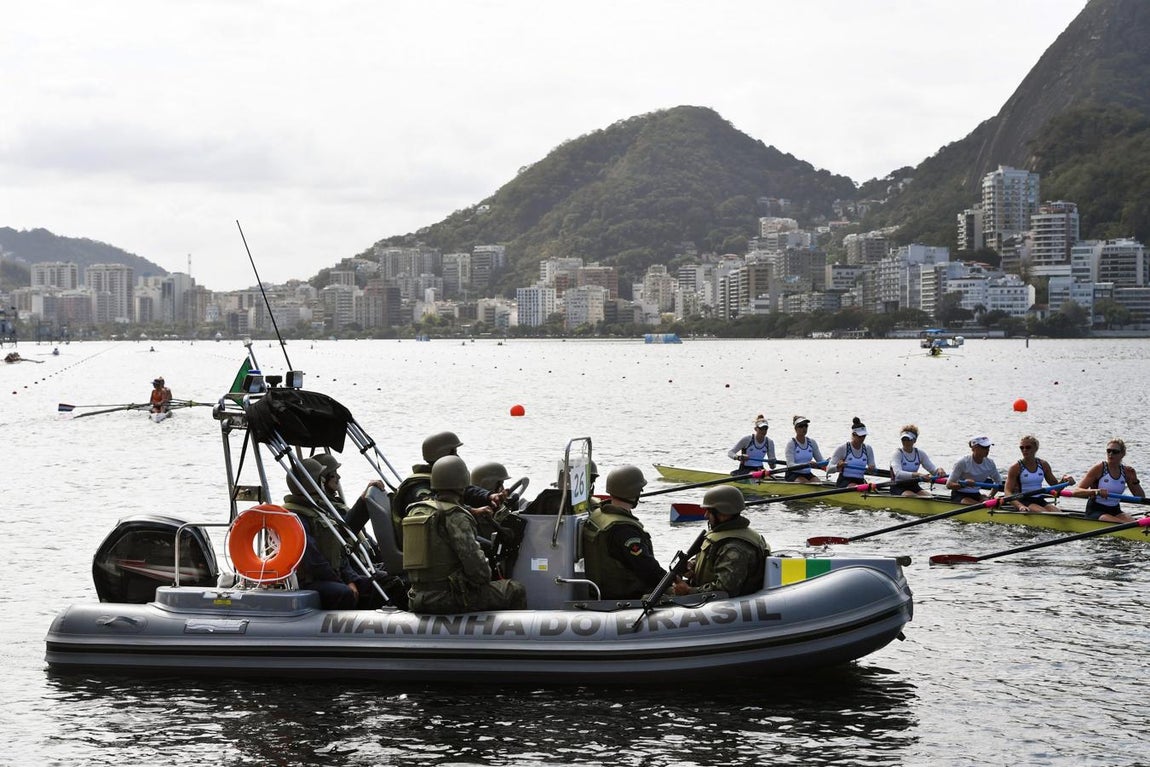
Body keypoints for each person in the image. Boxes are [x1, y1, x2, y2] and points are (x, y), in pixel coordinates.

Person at [403, 456, 527, 614]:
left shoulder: (416, 511)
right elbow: (480, 573)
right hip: (448, 598)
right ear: (463, 484)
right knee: (514, 589)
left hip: (416, 597)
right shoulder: (456, 516)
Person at [281, 458, 383, 610]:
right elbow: (314, 562)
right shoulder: (296, 517)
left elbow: (339, 551)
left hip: (333, 574)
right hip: (313, 580)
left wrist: (350, 578)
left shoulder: (320, 510)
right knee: (345, 593)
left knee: (382, 582)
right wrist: (343, 582)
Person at [390, 431, 504, 546]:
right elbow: (437, 509)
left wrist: (489, 496)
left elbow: (467, 490)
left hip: (440, 535)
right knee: (487, 547)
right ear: (442, 454)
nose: (457, 457)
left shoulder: (440, 477)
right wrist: (474, 511)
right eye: (454, 452)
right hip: (426, 544)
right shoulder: (419, 488)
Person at [581, 465, 666, 600]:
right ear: (633, 492)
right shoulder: (624, 530)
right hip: (625, 596)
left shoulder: (599, 514)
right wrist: (672, 581)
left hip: (600, 590)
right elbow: (647, 568)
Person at [671, 485, 769, 598]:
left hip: (720, 604)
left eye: (709, 511)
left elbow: (725, 590)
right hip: (702, 593)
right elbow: (714, 560)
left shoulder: (735, 547)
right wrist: (693, 566)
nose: (705, 515)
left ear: (723, 513)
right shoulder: (723, 534)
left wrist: (688, 591)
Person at [1070, 439, 1144, 523]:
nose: (1111, 454)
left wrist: (1134, 480)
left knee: (1134, 523)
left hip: (1115, 511)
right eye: (1108, 451)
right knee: (1122, 524)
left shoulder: (1126, 471)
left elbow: (1140, 497)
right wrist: (1096, 491)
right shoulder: (1099, 468)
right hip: (1096, 511)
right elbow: (1076, 491)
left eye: (1115, 451)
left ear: (1122, 454)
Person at [1004, 435, 1075, 513]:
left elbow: (1056, 488)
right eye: (1022, 448)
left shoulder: (1043, 465)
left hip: (1039, 499)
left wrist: (1065, 481)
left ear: (1035, 448)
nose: (1024, 450)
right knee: (1046, 514)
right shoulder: (1015, 468)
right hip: (1023, 500)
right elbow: (1007, 492)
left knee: (1059, 513)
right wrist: (1020, 506)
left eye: (1028, 447)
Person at [888, 425, 946, 497]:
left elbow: (933, 471)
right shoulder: (897, 453)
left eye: (908, 439)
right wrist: (918, 474)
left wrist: (939, 470)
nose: (905, 442)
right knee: (914, 497)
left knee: (930, 497)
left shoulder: (920, 453)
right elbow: (898, 474)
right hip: (897, 486)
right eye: (903, 439)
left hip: (913, 485)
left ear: (914, 440)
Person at [946, 436, 1003, 504]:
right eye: (984, 447)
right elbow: (949, 485)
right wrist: (964, 484)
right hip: (959, 494)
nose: (987, 450)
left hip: (976, 494)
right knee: (981, 505)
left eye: (988, 447)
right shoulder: (962, 462)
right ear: (974, 448)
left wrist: (990, 496)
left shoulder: (990, 463)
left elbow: (998, 481)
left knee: (992, 503)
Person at [827, 417, 876, 488]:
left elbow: (873, 469)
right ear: (853, 435)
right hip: (844, 481)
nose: (862, 438)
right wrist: (837, 466)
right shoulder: (843, 448)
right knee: (855, 486)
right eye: (860, 436)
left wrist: (872, 470)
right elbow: (828, 469)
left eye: (864, 436)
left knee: (869, 487)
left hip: (860, 481)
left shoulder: (868, 449)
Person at [784, 415, 825, 483]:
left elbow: (820, 461)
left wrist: (830, 462)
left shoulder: (812, 442)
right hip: (793, 473)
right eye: (801, 426)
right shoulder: (791, 443)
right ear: (795, 428)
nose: (804, 428)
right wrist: (806, 464)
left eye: (806, 426)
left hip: (807, 473)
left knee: (818, 483)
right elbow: (790, 464)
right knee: (806, 483)